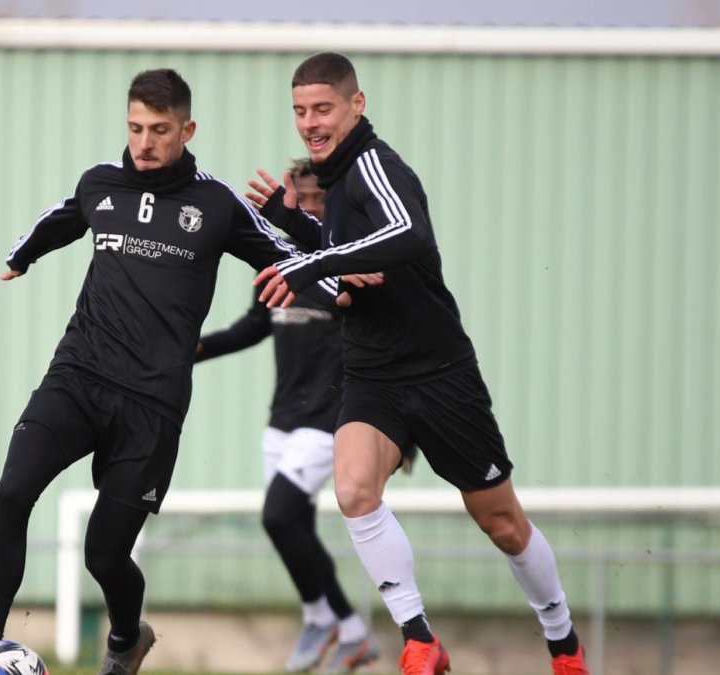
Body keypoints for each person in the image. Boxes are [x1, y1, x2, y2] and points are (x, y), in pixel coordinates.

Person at [0, 68, 338, 675]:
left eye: (160, 130)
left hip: (151, 404)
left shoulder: (217, 205)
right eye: (135, 127)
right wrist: (21, 257)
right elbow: (63, 218)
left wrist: (341, 268)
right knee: (11, 493)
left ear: (187, 129)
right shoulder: (101, 184)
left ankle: (126, 640)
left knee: (105, 554)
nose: (144, 142)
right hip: (77, 377)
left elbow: (305, 259)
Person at [249, 52, 590, 675]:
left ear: (358, 104)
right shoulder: (334, 186)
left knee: (503, 524)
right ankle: (419, 639)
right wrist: (294, 225)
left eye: (322, 108)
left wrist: (311, 261)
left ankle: (563, 641)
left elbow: (410, 235)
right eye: (299, 111)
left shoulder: (376, 164)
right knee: (353, 490)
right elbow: (349, 276)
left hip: (441, 375)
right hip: (373, 374)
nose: (309, 123)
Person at [195, 160, 380, 673]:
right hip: (282, 418)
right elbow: (256, 326)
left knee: (277, 513)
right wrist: (197, 347)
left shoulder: (353, 267)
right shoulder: (276, 265)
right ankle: (350, 629)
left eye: (319, 201)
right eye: (302, 201)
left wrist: (402, 431)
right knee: (290, 526)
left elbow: (391, 339)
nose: (309, 210)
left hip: (330, 419)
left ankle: (320, 617)